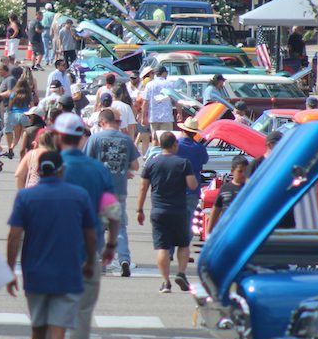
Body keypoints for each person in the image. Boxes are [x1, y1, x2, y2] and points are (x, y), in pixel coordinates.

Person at [6, 150, 97, 339]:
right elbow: (90, 233)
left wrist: (9, 269)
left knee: (38, 329)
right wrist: (90, 260)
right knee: (58, 329)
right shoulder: (78, 196)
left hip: (35, 270)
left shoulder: (26, 196)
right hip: (67, 270)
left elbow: (14, 235)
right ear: (60, 170)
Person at [54, 112, 116, 339]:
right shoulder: (97, 170)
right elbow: (112, 211)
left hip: (53, 250)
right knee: (81, 317)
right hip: (88, 250)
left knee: (52, 317)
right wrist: (112, 243)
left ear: (57, 136)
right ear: (82, 138)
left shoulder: (51, 167)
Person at [136, 132, 199, 294]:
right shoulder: (183, 163)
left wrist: (140, 209)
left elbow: (143, 187)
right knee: (184, 244)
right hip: (179, 209)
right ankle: (181, 273)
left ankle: (165, 282)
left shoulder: (152, 163)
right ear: (174, 145)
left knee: (163, 247)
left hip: (159, 210)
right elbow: (192, 185)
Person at [84, 108, 140, 277]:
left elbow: (87, 163)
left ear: (102, 122)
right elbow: (135, 165)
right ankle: (124, 259)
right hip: (119, 190)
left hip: (99, 191)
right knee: (120, 227)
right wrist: (123, 169)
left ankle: (100, 264)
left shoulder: (95, 138)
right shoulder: (127, 140)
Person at [209, 155, 248, 231]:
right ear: (232, 171)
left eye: (245, 171)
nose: (243, 174)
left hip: (244, 227)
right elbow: (216, 210)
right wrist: (209, 232)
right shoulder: (225, 188)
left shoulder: (249, 188)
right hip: (226, 228)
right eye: (240, 171)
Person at [141, 64, 177, 143]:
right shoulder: (169, 84)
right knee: (167, 141)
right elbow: (176, 100)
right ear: (164, 73)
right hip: (166, 116)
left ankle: (155, 155)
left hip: (154, 116)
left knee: (155, 139)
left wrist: (143, 117)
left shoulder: (149, 85)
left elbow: (145, 102)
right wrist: (179, 113)